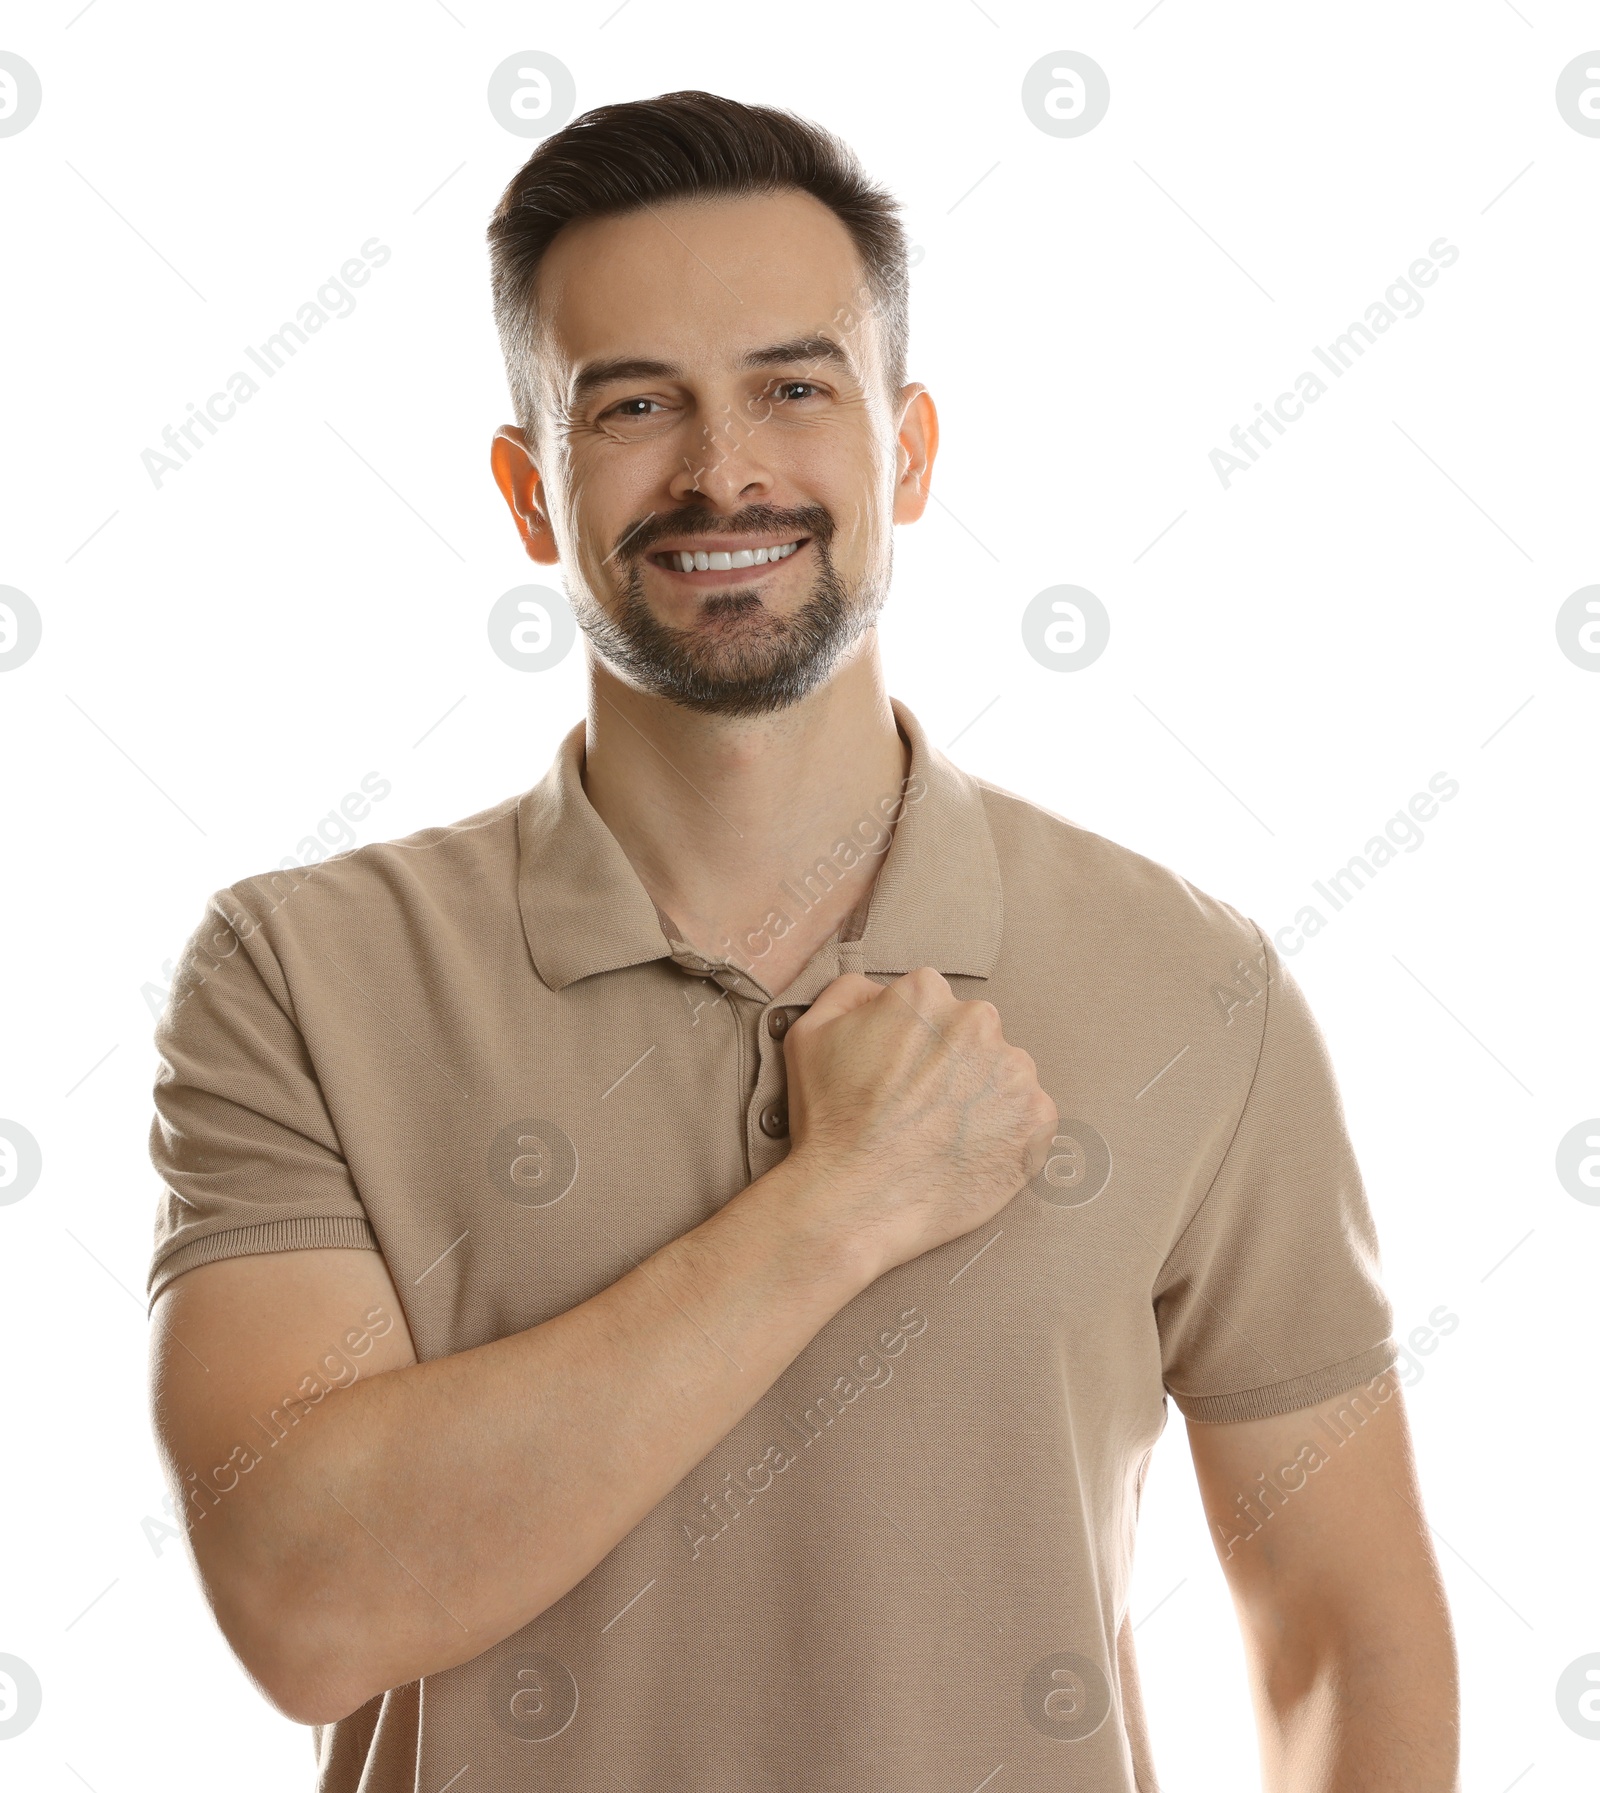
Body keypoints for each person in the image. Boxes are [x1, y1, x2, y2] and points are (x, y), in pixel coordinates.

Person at [145, 90, 1459, 1791]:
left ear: (905, 449)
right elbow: (306, 1605)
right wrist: (840, 1201)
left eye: (792, 385)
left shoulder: (1196, 987)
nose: (723, 469)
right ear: (529, 491)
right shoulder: (297, 977)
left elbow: (1347, 1635)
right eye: (633, 405)